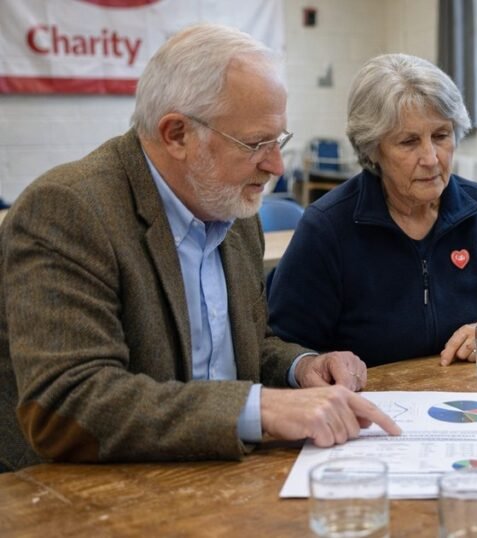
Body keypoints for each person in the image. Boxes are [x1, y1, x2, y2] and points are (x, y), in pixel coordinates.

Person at [0, 24, 400, 472]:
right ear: (177, 134)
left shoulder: (230, 206)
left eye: (278, 140)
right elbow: (68, 403)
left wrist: (302, 366)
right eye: (256, 143)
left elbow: (242, 349)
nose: (275, 165)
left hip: (208, 471)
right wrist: (261, 408)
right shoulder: (69, 211)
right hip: (81, 486)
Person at [268, 53, 477, 367]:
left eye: (441, 136)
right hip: (366, 394)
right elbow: (283, 347)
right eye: (409, 142)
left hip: (467, 392)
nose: (431, 158)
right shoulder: (327, 227)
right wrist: (316, 364)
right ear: (372, 148)